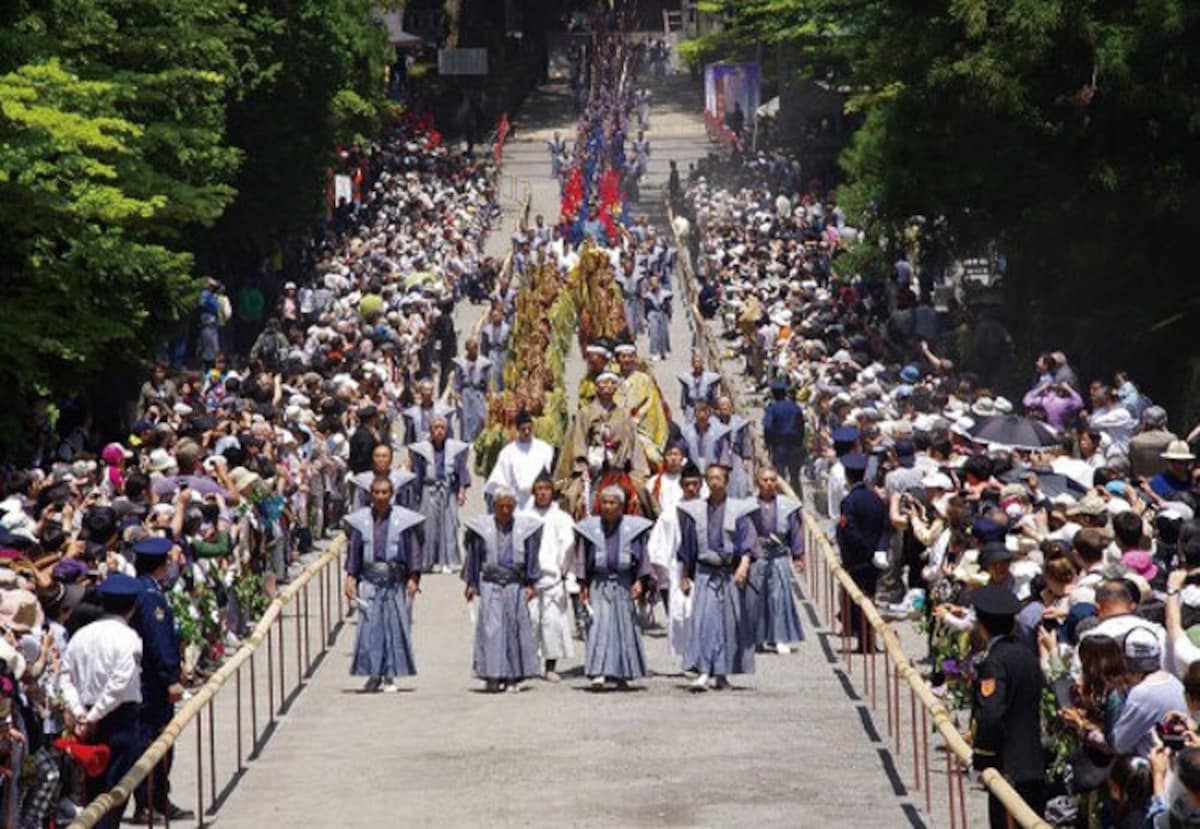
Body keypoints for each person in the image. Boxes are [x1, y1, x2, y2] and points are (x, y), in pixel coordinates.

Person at [59, 574, 145, 829]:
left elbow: (65, 678)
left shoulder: (80, 636)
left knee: (94, 793)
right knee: (114, 794)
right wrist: (94, 715)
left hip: (87, 718)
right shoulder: (128, 638)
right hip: (117, 720)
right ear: (133, 606)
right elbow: (119, 685)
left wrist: (81, 713)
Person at [968, 584, 1046, 828]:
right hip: (1033, 761)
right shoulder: (1027, 655)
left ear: (981, 625)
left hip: (1007, 765)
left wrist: (982, 756)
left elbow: (990, 714)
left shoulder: (994, 662)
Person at [676, 464, 758, 691]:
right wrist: (685, 575)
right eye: (710, 478)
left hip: (728, 573)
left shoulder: (738, 510)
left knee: (727, 624)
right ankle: (703, 671)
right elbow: (687, 546)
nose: (714, 482)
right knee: (703, 621)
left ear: (726, 481)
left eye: (718, 478)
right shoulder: (695, 511)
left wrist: (743, 565)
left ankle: (721, 673)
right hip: (704, 572)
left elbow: (748, 542)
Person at [129, 538, 192, 823]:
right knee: (154, 743)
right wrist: (170, 677)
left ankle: (158, 799)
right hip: (152, 685)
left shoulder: (143, 590)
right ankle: (149, 802)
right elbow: (158, 641)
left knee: (157, 742)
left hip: (148, 682)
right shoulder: (151, 596)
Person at [343, 476, 425, 693]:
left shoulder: (403, 521)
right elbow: (355, 553)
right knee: (369, 629)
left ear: (391, 494)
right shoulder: (361, 522)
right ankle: (373, 674)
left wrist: (413, 578)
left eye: (385, 493)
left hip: (393, 581)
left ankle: (389, 674)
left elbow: (413, 551)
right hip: (369, 581)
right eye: (377, 492)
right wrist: (350, 578)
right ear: (371, 494)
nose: (380, 497)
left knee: (393, 627)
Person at [573, 486, 655, 689]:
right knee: (599, 626)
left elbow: (642, 557)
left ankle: (623, 671)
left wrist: (640, 581)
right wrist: (582, 585)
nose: (608, 507)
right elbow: (583, 558)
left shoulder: (633, 529)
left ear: (621, 506)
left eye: (613, 503)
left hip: (624, 582)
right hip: (598, 583)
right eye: (605, 502)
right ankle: (598, 672)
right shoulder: (589, 528)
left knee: (624, 626)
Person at [462, 488, 543, 692]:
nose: (505, 510)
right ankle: (492, 675)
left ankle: (513, 676)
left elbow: (532, 557)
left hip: (515, 583)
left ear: (515, 507)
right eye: (501, 506)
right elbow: (474, 556)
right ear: (494, 506)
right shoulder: (481, 528)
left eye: (509, 506)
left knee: (515, 628)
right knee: (491, 630)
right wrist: (471, 583)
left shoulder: (526, 528)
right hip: (490, 582)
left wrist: (531, 583)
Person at [521, 472, 576, 681]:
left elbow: (568, 547)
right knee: (531, 620)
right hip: (530, 579)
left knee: (552, 622)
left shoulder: (562, 518)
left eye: (546, 489)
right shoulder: (524, 517)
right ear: (534, 491)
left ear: (552, 492)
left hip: (553, 577)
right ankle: (530, 664)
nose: (542, 493)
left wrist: (562, 573)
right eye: (539, 489)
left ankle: (551, 665)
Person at [746, 468, 805, 654]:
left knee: (779, 597)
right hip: (757, 556)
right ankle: (757, 638)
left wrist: (798, 556)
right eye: (765, 480)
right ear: (757, 482)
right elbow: (743, 532)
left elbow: (796, 531)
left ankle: (779, 637)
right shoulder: (748, 505)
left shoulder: (788, 506)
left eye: (773, 480)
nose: (769, 484)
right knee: (755, 597)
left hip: (778, 555)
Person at [835, 453, 888, 652]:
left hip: (857, 560)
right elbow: (885, 527)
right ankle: (868, 640)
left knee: (858, 601)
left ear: (848, 477)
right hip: (874, 559)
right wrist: (879, 550)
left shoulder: (850, 502)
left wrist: (863, 551)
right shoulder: (876, 499)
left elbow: (849, 530)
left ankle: (865, 641)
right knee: (870, 597)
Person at [408, 416, 470, 574]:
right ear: (430, 430)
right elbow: (418, 472)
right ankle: (427, 561)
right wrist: (416, 494)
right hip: (429, 489)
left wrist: (462, 491)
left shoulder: (455, 449)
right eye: (436, 427)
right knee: (428, 526)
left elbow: (461, 470)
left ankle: (450, 560)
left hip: (448, 490)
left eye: (442, 427)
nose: (439, 431)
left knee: (449, 524)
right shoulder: (422, 449)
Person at [486, 410, 555, 511]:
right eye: (523, 429)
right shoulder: (508, 452)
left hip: (539, 501)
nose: (527, 432)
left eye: (529, 429)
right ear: (518, 430)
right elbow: (499, 481)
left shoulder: (545, 449)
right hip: (517, 504)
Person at [762, 379, 804, 488]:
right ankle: (797, 499)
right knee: (795, 475)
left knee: (780, 475)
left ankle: (782, 499)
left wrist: (767, 443)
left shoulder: (772, 409)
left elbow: (767, 427)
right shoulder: (795, 407)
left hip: (779, 445)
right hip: (795, 445)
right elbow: (801, 426)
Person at [348, 443, 417, 510]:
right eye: (377, 456)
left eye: (384, 456)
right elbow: (357, 506)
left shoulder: (402, 480)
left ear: (391, 459)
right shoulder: (363, 480)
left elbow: (409, 505)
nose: (380, 460)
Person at [452, 338, 491, 443]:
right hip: (466, 391)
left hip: (478, 391)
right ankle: (466, 439)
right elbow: (457, 379)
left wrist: (488, 391)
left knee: (480, 415)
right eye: (470, 349)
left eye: (474, 349)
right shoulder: (461, 363)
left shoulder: (483, 363)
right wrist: (456, 392)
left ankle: (479, 437)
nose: (473, 351)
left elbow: (487, 379)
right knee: (466, 416)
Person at [715, 395, 754, 498]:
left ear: (731, 407)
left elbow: (745, 441)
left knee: (740, 482)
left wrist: (746, 458)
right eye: (722, 405)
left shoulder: (739, 423)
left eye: (727, 404)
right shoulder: (714, 424)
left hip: (736, 457)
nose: (725, 407)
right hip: (719, 459)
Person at [680, 400, 731, 475]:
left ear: (710, 414)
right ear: (695, 413)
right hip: (693, 472)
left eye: (705, 411)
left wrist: (722, 471)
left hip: (713, 472)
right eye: (699, 411)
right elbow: (682, 453)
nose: (702, 415)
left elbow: (724, 456)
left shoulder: (720, 432)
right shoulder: (686, 432)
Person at [403, 378, 458, 444]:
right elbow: (409, 438)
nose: (428, 393)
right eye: (425, 390)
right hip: (420, 446)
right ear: (421, 392)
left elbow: (449, 434)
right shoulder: (413, 413)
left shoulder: (441, 410)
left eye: (430, 390)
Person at [678, 352, 721, 421]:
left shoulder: (710, 377)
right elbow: (684, 394)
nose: (697, 364)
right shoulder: (687, 377)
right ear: (692, 364)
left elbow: (715, 390)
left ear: (703, 363)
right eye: (695, 362)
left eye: (699, 362)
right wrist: (684, 407)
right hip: (692, 407)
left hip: (705, 406)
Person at [480, 304, 510, 392]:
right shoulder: (486, 330)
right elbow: (483, 347)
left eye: (497, 316)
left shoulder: (507, 328)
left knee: (504, 378)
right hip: (492, 355)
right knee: (493, 378)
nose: (495, 318)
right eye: (493, 316)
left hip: (504, 354)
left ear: (501, 315)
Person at [643, 275, 672, 361]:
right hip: (652, 314)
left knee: (664, 333)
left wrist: (669, 316)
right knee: (654, 334)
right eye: (652, 282)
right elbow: (646, 308)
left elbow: (668, 306)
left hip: (662, 313)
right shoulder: (648, 295)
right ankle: (655, 352)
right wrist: (645, 318)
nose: (654, 283)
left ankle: (664, 351)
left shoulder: (665, 293)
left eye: (655, 281)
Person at [348, 404, 381, 475]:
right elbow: (364, 457)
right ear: (372, 419)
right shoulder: (365, 436)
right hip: (365, 472)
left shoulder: (361, 431)